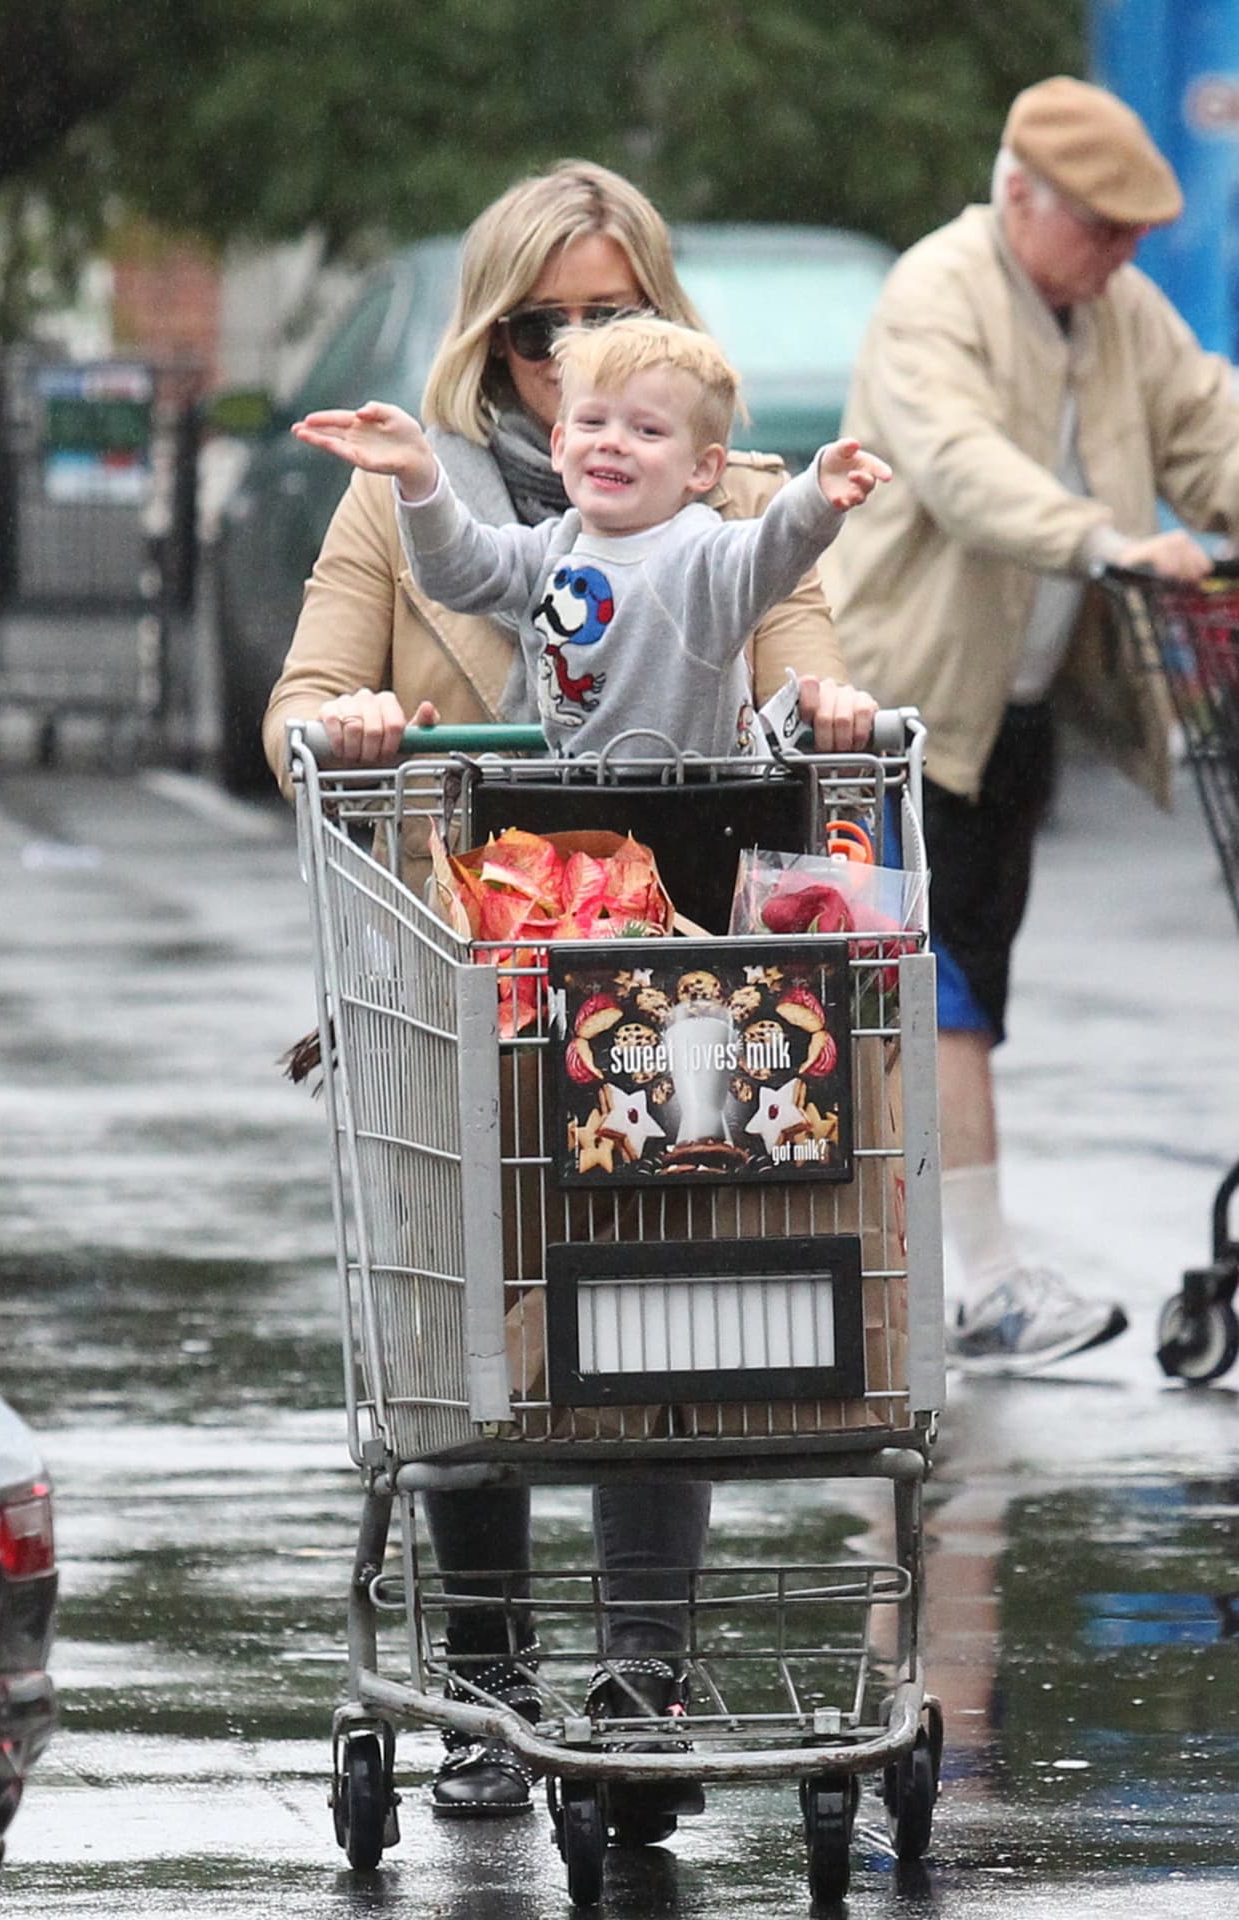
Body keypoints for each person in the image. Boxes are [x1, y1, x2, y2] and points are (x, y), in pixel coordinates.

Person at [262, 158, 878, 1824]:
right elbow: (304, 697)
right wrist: (355, 725)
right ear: (497, 331)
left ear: (663, 319)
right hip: (465, 963)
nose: (578, 355)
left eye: (613, 313)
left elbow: (800, 640)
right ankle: (482, 1678)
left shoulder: (727, 485)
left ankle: (641, 1674)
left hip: (664, 963)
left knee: (657, 1291)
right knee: (471, 1310)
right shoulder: (414, 502)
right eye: (547, 323)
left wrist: (825, 704)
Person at [819, 75, 1239, 1374]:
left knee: (967, 988)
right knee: (928, 987)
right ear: (1018, 196)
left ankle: (923, 1266)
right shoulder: (937, 293)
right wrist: (1109, 541)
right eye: (1100, 227)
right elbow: (960, 468)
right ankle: (981, 1280)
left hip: (1009, 711)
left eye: (1131, 234)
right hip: (891, 705)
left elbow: (1209, 424)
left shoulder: (1113, 309)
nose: (1122, 255)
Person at [290, 314, 889, 758]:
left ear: (702, 469)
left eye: (647, 430)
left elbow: (771, 550)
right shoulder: (551, 547)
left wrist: (815, 493)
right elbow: (459, 569)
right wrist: (420, 476)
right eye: (593, 422)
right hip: (569, 818)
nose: (612, 442)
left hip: (695, 813)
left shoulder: (706, 555)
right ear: (559, 446)